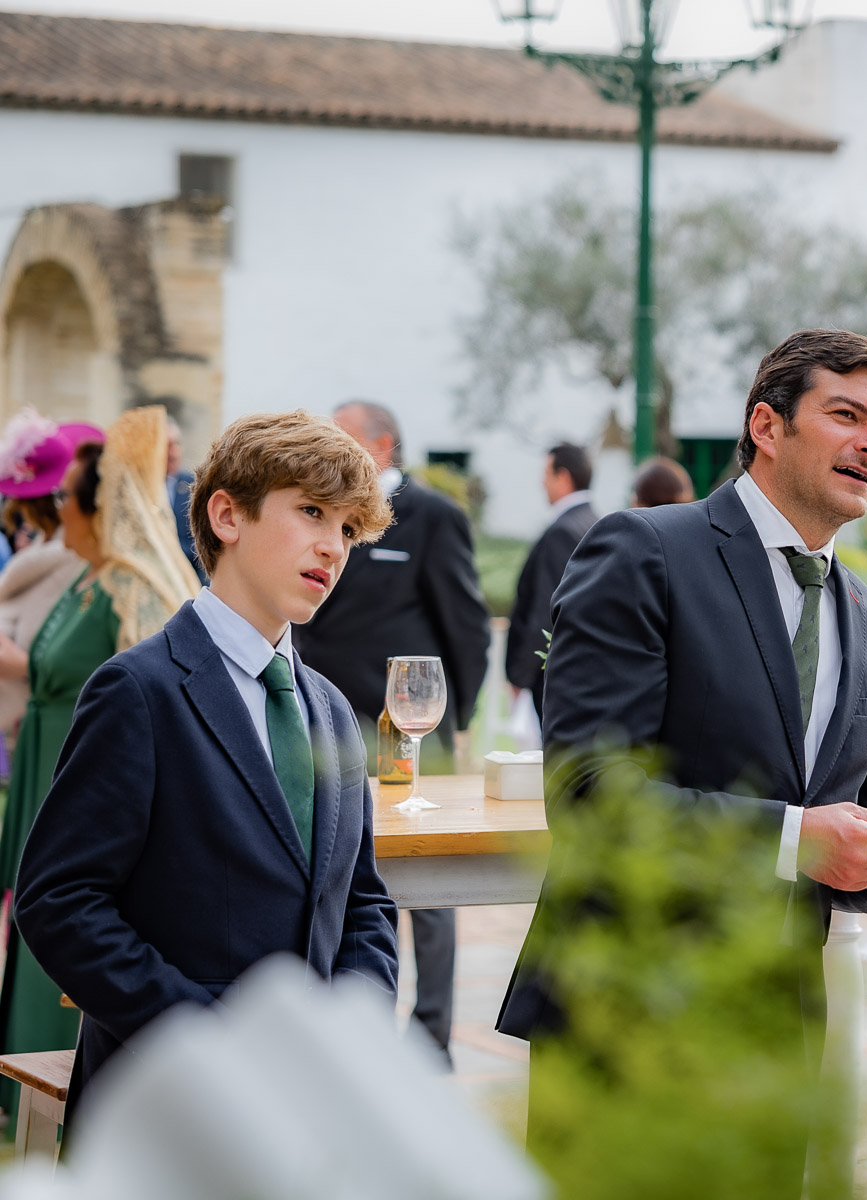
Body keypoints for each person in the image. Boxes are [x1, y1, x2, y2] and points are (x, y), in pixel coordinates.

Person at [496, 330, 867, 1162]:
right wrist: (797, 838)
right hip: (622, 1018)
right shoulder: (643, 551)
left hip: (777, 1038)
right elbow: (590, 795)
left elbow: (839, 832)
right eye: (846, 414)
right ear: (767, 426)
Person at [14, 409, 398, 1130]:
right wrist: (212, 1039)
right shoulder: (138, 690)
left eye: (347, 528)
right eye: (311, 511)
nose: (332, 546)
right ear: (227, 514)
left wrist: (353, 1031)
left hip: (306, 1109)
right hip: (166, 1105)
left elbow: (363, 904)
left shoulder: (334, 709)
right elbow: (59, 901)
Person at [0, 405, 201, 1126]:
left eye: (65, 498)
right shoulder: (84, 579)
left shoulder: (133, 587)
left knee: (64, 912)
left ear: (96, 506)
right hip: (42, 762)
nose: (56, 510)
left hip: (85, 770)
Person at [292, 400, 488, 1060]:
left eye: (340, 439)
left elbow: (465, 625)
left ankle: (432, 1038)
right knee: (331, 867)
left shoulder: (435, 517)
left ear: (383, 446)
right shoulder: (317, 520)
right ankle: (348, 1035)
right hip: (322, 723)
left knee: (427, 874)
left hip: (406, 726)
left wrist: (452, 716)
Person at [0, 413, 98, 755]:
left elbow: (76, 658)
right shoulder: (46, 556)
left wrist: (21, 664)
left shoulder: (70, 560)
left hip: (57, 726)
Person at [503, 443, 598, 720]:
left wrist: (520, 677)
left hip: (549, 679)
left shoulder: (562, 531)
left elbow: (547, 609)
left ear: (564, 477)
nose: (541, 482)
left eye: (546, 473)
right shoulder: (593, 522)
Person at [166, 420, 203, 580]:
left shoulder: (194, 485)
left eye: (176, 444)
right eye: (167, 445)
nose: (172, 451)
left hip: (189, 577)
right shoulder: (141, 488)